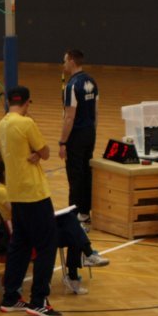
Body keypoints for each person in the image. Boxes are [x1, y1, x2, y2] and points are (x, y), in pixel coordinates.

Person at [0, 85, 61, 316]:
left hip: (15, 192)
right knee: (47, 245)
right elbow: (45, 152)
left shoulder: (2, 124)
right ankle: (38, 300)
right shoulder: (26, 123)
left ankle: (11, 296)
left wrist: (33, 152)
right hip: (34, 193)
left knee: (20, 244)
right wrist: (37, 153)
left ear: (8, 101)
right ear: (27, 102)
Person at [58, 49, 98, 225]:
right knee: (86, 174)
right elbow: (96, 112)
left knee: (74, 176)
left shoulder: (72, 86)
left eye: (65, 61)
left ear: (72, 61)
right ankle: (85, 213)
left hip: (76, 136)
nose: (63, 64)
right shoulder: (92, 82)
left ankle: (72, 217)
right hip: (90, 133)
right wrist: (92, 132)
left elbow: (69, 117)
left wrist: (62, 142)